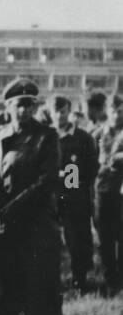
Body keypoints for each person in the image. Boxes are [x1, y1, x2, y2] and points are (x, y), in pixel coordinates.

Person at [0, 79, 62, 315]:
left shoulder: (46, 136)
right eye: (20, 105)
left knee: (38, 282)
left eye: (30, 104)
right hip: (5, 221)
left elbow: (47, 181)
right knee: (2, 279)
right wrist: (0, 207)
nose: (25, 110)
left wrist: (12, 209)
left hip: (36, 222)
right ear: (8, 107)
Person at [51, 95, 98, 292]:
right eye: (55, 111)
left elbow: (90, 167)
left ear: (69, 112)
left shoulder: (82, 137)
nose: (59, 116)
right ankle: (52, 281)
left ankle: (80, 279)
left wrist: (69, 176)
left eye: (63, 111)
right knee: (49, 241)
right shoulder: (46, 136)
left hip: (74, 196)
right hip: (50, 197)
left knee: (78, 240)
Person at [94, 95, 123, 293]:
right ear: (107, 110)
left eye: (120, 110)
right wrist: (71, 189)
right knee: (104, 238)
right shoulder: (96, 134)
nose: (116, 114)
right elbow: (76, 162)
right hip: (102, 191)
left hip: (121, 190)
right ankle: (109, 279)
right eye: (113, 110)